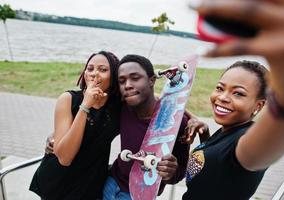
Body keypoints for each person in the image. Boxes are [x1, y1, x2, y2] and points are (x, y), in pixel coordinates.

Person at [182, 0, 284, 199]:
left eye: (238, 93)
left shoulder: (245, 142)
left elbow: (259, 153)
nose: (222, 98)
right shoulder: (227, 130)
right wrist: (204, 132)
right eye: (220, 88)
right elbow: (217, 164)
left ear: (259, 105)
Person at [30, 51, 121, 200]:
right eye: (90, 68)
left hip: (91, 183)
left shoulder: (117, 106)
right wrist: (85, 105)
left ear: (114, 77)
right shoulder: (68, 99)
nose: (94, 74)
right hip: (59, 182)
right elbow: (65, 158)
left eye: (103, 70)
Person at [103, 54, 191, 199]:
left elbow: (180, 171)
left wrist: (169, 173)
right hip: (110, 182)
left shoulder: (177, 123)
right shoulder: (123, 107)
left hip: (138, 194)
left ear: (152, 80)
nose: (128, 85)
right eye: (122, 81)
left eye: (135, 78)